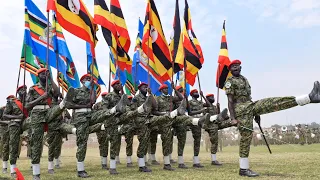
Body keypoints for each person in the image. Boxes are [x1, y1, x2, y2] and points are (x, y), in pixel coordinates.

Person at [224, 59, 320, 177]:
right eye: (233, 67)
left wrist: (256, 113)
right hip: (240, 110)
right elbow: (229, 101)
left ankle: (308, 98)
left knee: (271, 102)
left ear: (240, 67)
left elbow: (249, 97)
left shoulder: (244, 80)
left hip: (250, 106)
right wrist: (233, 118)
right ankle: (243, 169)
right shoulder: (229, 81)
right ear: (230, 70)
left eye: (237, 66)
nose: (236, 68)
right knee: (246, 138)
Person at [2, 85, 28, 178]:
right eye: (22, 90)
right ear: (18, 92)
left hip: (25, 124)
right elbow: (5, 115)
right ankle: (11, 169)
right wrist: (16, 117)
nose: (24, 91)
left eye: (25, 90)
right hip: (14, 125)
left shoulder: (28, 102)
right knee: (12, 146)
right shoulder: (12, 102)